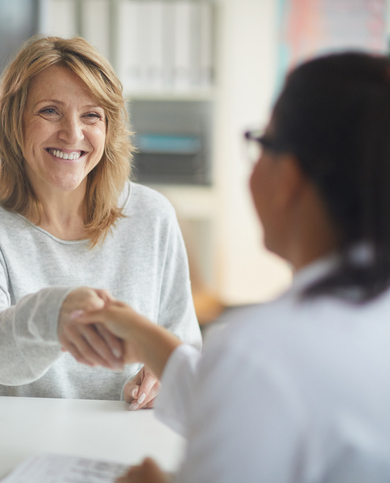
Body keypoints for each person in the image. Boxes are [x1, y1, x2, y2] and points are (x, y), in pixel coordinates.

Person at [75, 51, 390, 482]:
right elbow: (252, 400)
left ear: (289, 178)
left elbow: (257, 387)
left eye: (262, 142)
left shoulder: (261, 351)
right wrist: (148, 339)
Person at [0, 35, 202, 404]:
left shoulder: (152, 215)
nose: (73, 134)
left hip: (122, 437)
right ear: (14, 121)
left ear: (109, 129)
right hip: (13, 437)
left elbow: (183, 346)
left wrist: (162, 374)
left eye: (91, 115)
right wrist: (54, 317)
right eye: (50, 111)